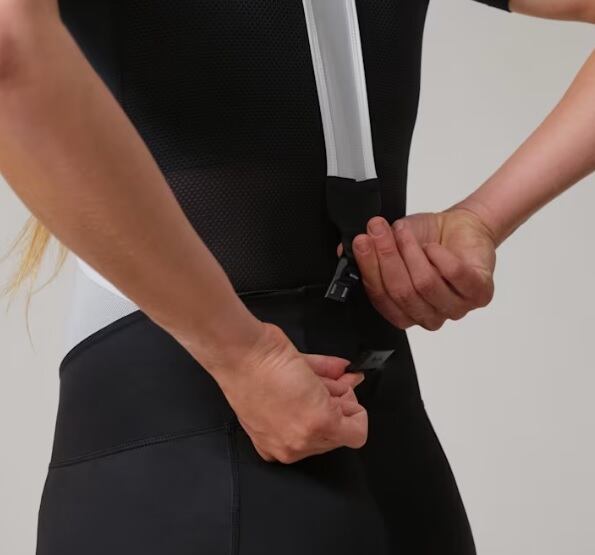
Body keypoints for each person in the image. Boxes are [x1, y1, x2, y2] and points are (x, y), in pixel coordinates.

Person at [0, 0, 593, 554]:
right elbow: (10, 46)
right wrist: (240, 354)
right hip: (219, 404)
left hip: (321, 412)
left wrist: (481, 219)